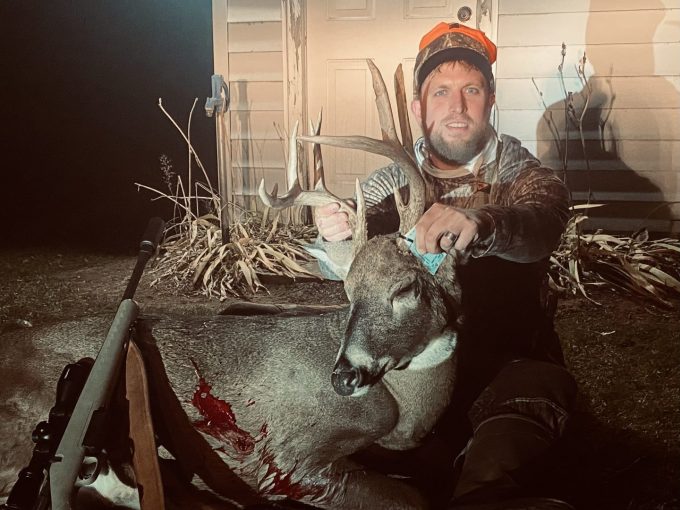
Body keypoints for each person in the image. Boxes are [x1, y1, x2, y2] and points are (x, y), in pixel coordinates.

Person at [314, 22, 578, 510]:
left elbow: (542, 224)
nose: (457, 107)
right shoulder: (385, 188)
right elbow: (349, 271)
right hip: (412, 371)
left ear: (490, 99)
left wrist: (485, 222)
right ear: (418, 107)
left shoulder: (522, 174)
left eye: (471, 90)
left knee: (500, 462)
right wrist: (335, 234)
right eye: (441, 92)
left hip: (507, 368)